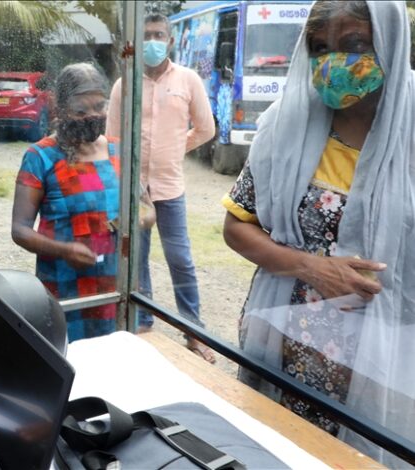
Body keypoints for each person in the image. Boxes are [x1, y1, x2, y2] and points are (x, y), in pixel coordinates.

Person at [221, 1, 414, 466]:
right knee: (278, 450)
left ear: (388, 43)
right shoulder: (284, 126)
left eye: (353, 45)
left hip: (385, 358)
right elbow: (236, 227)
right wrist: (312, 267)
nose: (333, 63)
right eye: (319, 48)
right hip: (286, 340)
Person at [106, 13, 216, 363]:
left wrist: (172, 149)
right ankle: (144, 325)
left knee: (180, 259)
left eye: (158, 35)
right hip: (133, 189)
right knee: (136, 261)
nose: (152, 41)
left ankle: (193, 332)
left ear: (170, 41)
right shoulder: (125, 83)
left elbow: (205, 129)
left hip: (170, 187)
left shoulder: (188, 80)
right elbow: (111, 138)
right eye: (146, 35)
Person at [12, 63, 119, 342]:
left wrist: (140, 217)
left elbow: (145, 208)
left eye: (99, 106)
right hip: (64, 289)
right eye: (81, 111)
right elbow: (20, 229)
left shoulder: (119, 151)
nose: (92, 116)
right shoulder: (41, 156)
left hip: (114, 288)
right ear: (60, 108)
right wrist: (64, 250)